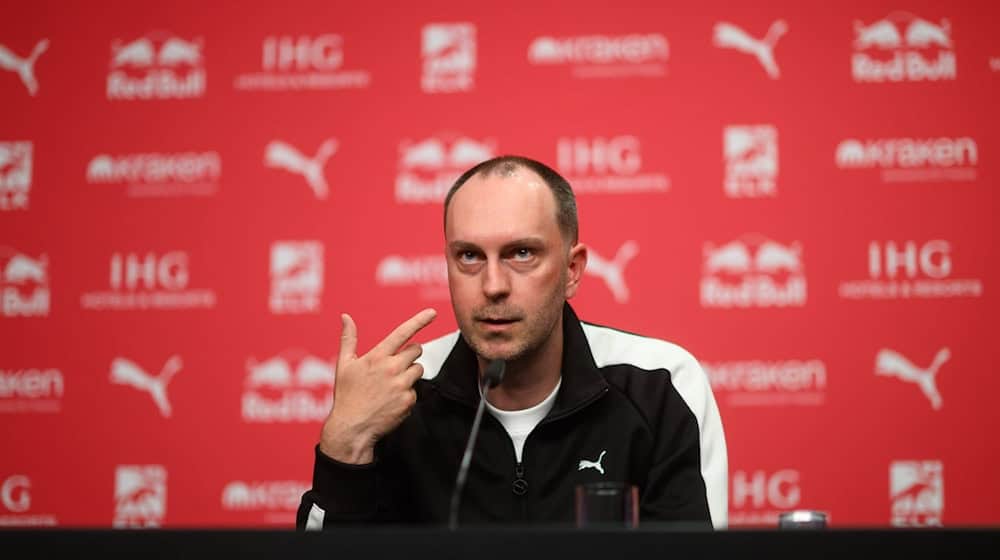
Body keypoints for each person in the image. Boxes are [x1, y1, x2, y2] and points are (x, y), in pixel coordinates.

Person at [296, 155, 728, 530]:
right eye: (469, 256)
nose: (493, 286)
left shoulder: (658, 386)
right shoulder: (399, 393)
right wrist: (343, 444)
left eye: (521, 253)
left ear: (572, 270)